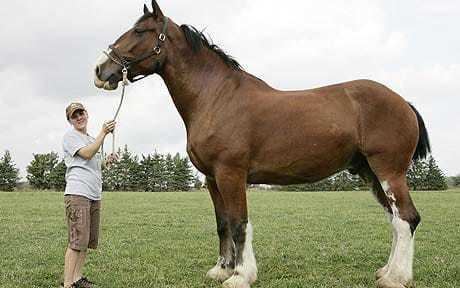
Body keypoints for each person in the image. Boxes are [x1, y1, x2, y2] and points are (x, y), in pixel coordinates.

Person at [61, 102, 117, 288]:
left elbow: (95, 163)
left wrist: (107, 161)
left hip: (94, 194)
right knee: (77, 240)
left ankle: (77, 278)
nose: (79, 117)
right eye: (74, 116)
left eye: (81, 113)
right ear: (70, 120)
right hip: (78, 193)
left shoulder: (92, 138)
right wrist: (103, 133)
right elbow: (86, 154)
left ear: (86, 114)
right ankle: (67, 283)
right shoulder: (70, 137)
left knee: (86, 241)